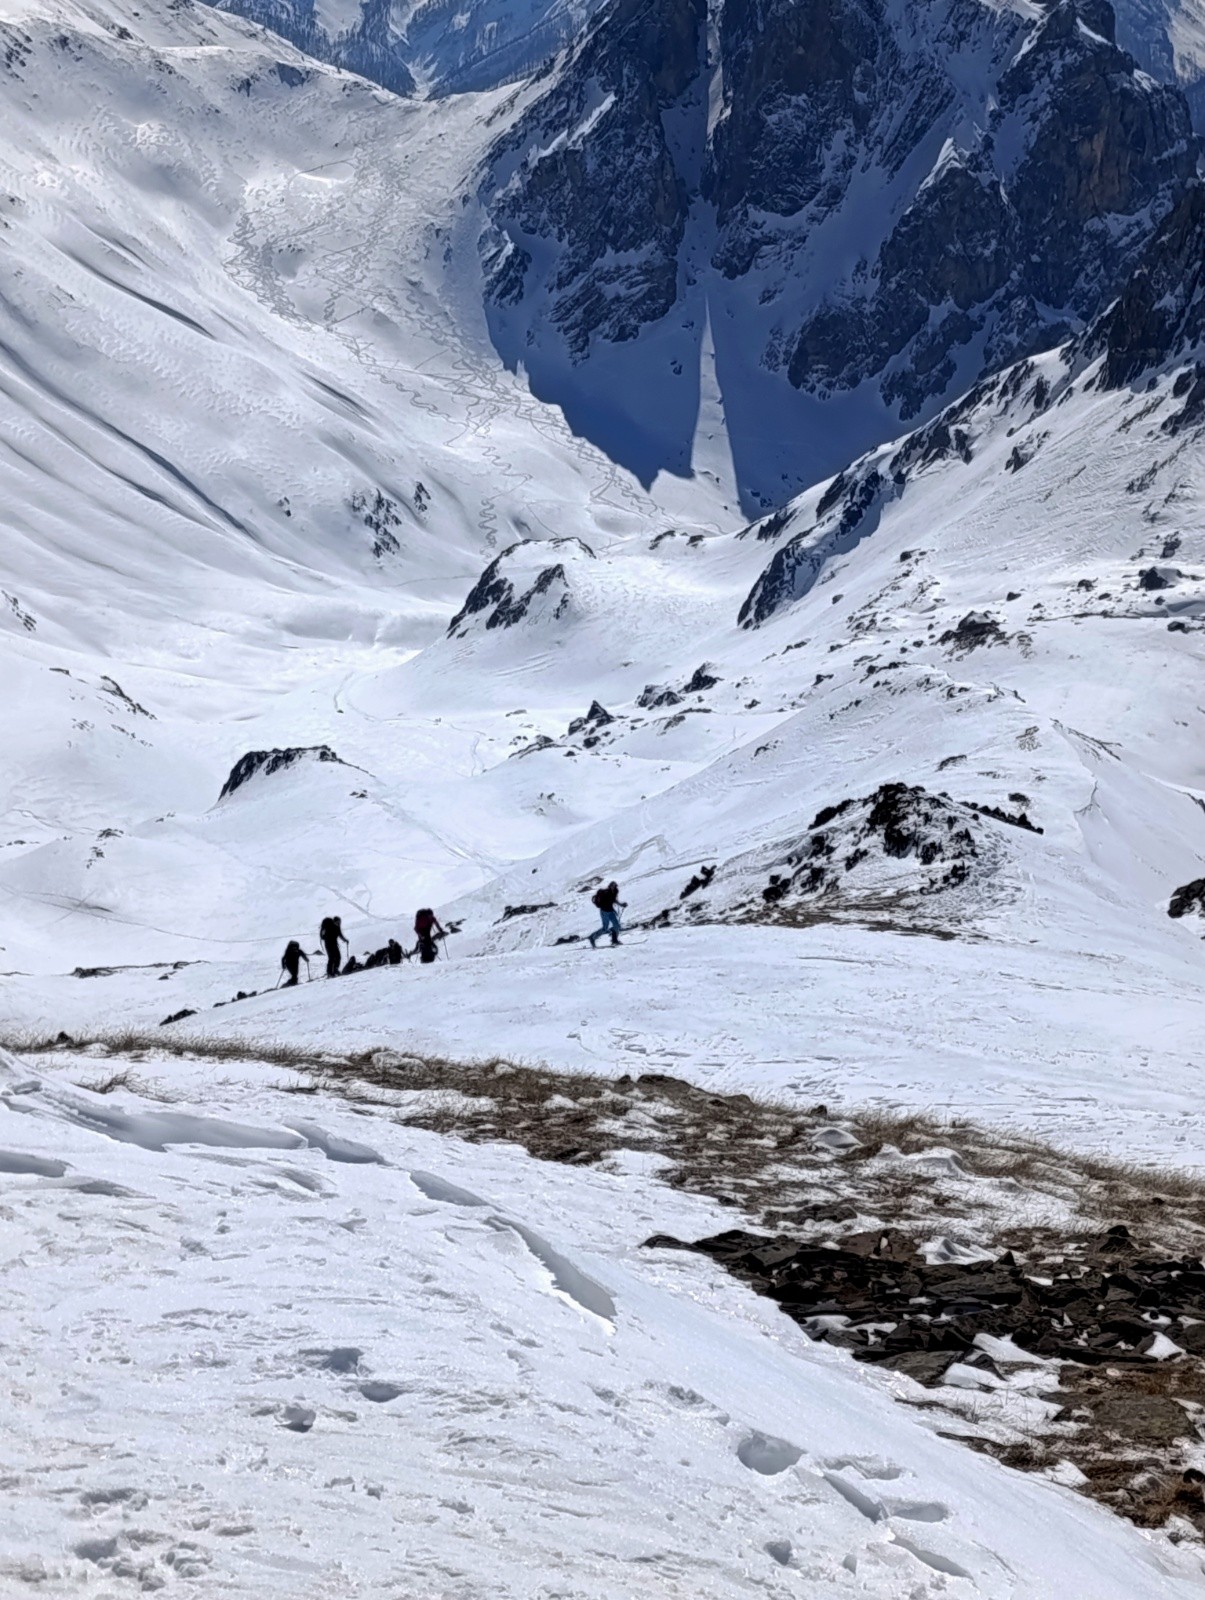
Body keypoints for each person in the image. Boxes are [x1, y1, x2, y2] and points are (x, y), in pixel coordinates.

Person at [589, 881, 625, 947]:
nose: (613, 887)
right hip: (604, 912)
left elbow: (614, 900)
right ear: (610, 886)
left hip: (611, 911)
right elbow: (609, 901)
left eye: (614, 886)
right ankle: (592, 938)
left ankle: (614, 941)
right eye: (612, 885)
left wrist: (621, 904)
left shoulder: (614, 892)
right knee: (605, 928)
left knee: (616, 926)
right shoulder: (606, 892)